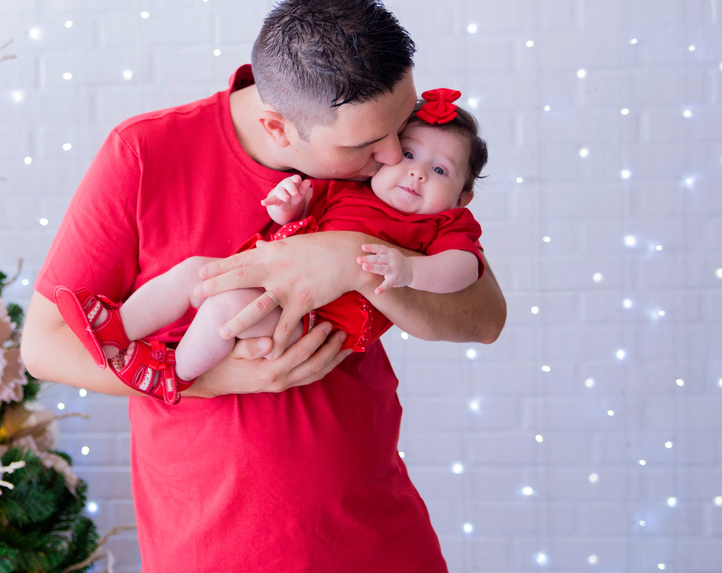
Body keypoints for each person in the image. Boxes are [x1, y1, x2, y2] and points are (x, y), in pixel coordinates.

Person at [21, 0, 506, 573]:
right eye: (367, 145)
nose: (394, 157)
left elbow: (483, 318)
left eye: (401, 127)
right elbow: (44, 347)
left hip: (379, 571)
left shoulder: (397, 172)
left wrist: (351, 261)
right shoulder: (143, 154)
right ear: (278, 127)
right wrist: (210, 380)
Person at [53, 88, 489, 392]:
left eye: (439, 170)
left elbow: (464, 270)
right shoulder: (352, 182)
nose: (415, 172)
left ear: (462, 197)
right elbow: (305, 215)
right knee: (192, 273)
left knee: (224, 308)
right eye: (409, 154)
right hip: (267, 277)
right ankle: (116, 330)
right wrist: (288, 207)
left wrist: (410, 269)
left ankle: (174, 374)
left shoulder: (444, 224)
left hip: (317, 317)